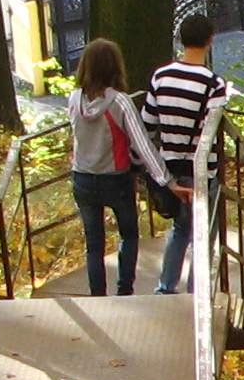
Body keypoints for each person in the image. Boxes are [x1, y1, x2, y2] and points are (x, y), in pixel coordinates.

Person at [66, 39, 173, 296]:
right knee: (129, 235)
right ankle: (124, 291)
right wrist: (165, 179)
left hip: (82, 177)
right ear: (115, 67)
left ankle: (97, 296)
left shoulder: (73, 99)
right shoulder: (120, 102)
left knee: (94, 244)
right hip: (116, 180)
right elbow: (142, 144)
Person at [143, 13, 232, 297]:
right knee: (204, 233)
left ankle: (165, 287)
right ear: (209, 41)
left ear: (180, 40)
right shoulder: (213, 84)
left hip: (171, 169)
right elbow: (211, 128)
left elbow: (148, 122)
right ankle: (198, 292)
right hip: (202, 171)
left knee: (181, 229)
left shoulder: (161, 76)